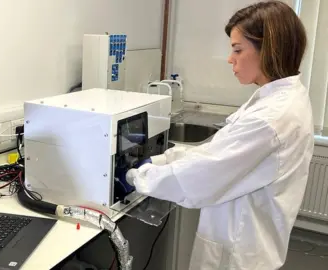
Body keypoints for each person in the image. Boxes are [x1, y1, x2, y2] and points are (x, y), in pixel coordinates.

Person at [126, 1, 313, 269]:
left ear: (269, 49)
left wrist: (138, 176)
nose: (230, 59)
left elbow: (202, 176)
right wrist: (162, 160)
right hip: (251, 237)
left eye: (238, 49)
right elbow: (218, 153)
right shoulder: (282, 97)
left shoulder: (271, 118)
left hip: (239, 249)